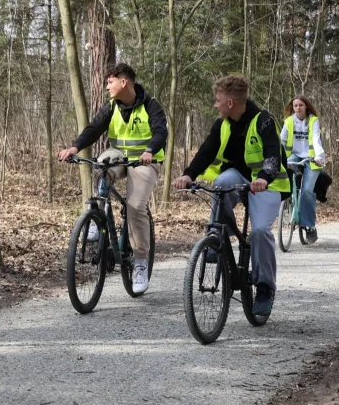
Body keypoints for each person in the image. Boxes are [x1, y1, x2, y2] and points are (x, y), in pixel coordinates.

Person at [174, 75, 288, 317]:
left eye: (218, 100)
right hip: (237, 177)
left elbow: (272, 156)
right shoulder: (222, 124)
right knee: (220, 183)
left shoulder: (264, 121)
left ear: (230, 103)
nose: (215, 105)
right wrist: (188, 175)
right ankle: (216, 237)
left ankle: (265, 287)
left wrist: (264, 178)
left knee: (259, 232)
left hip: (268, 184)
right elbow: (206, 150)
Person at [58, 63, 167, 294]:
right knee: (100, 164)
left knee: (135, 206)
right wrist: (75, 148)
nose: (107, 87)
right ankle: (97, 215)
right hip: (118, 156)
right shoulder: (111, 107)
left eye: (110, 82)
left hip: (145, 160)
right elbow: (94, 128)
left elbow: (160, 132)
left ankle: (139, 262)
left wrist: (150, 150)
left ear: (123, 81)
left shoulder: (151, 105)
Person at [279, 96, 326, 242]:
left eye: (301, 105)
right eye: (295, 105)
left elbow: (316, 140)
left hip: (311, 159)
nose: (298, 108)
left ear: (306, 106)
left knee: (307, 191)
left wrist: (319, 156)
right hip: (293, 156)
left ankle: (309, 226)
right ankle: (288, 205)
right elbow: (281, 141)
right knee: (284, 180)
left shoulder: (313, 121)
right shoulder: (289, 122)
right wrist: (276, 157)